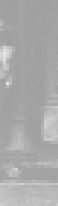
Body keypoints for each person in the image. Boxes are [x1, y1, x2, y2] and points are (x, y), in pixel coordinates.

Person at [0, 19, 16, 151]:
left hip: (3, 81)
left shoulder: (8, 49)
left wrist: (9, 79)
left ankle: (3, 141)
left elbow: (10, 66)